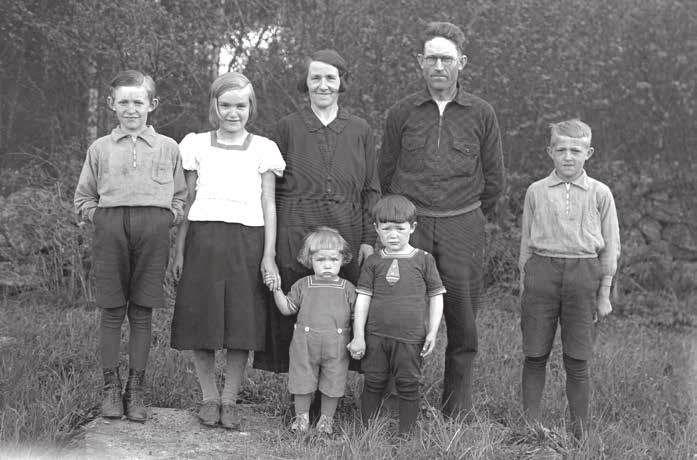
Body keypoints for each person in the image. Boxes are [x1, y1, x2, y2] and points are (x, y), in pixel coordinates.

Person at [379, 21, 504, 418]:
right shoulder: (401, 113)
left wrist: (464, 215)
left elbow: (495, 181)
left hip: (462, 226)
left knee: (462, 321)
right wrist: (405, 220)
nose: (438, 65)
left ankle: (457, 410)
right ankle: (398, 404)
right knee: (400, 314)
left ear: (461, 63)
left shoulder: (482, 113)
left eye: (446, 58)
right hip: (411, 227)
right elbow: (385, 174)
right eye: (431, 57)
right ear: (420, 62)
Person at [253, 49, 381, 417]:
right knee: (297, 313)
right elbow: (270, 191)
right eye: (315, 78)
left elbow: (371, 187)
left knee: (342, 313)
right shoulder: (287, 127)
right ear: (305, 83)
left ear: (342, 83)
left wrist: (368, 242)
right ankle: (299, 399)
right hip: (296, 227)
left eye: (330, 78)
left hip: (347, 232)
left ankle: (334, 397)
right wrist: (272, 245)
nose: (323, 85)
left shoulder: (359, 129)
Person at [169, 72, 285, 430]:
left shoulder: (265, 149)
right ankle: (208, 397)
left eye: (241, 105)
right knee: (200, 319)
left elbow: (268, 203)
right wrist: (179, 248)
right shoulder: (195, 144)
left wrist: (268, 254)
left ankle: (230, 399)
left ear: (251, 106)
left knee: (241, 322)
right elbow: (188, 200)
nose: (233, 113)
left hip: (247, 242)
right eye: (225, 105)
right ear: (214, 106)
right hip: (203, 240)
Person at [74, 70, 187, 421]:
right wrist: (101, 219)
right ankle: (110, 386)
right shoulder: (100, 148)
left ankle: (135, 388)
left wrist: (166, 218)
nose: (131, 109)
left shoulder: (168, 147)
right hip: (111, 229)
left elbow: (180, 196)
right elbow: (83, 197)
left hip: (153, 230)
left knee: (142, 310)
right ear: (111, 104)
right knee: (111, 310)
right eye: (123, 101)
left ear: (152, 104)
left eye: (138, 101)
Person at [518, 119, 620, 439]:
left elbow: (611, 247)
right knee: (535, 353)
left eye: (575, 150)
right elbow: (525, 243)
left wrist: (603, 293)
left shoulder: (600, 193)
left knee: (577, 358)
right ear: (550, 151)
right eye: (560, 149)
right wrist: (525, 286)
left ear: (588, 153)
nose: (568, 157)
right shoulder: (536, 191)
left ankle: (579, 433)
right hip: (542, 274)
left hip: (583, 276)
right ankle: (531, 428)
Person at [348, 194, 445, 435]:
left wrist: (432, 331)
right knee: (373, 382)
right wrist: (358, 335)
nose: (393, 235)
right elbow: (362, 300)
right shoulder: (372, 261)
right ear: (376, 229)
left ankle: (407, 436)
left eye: (400, 229)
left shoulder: (424, 260)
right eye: (386, 228)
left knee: (408, 384)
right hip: (376, 336)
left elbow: (436, 297)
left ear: (412, 228)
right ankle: (366, 433)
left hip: (411, 337)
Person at [269, 227, 356, 435]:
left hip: (337, 345)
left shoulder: (347, 288)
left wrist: (359, 338)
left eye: (333, 260)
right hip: (305, 344)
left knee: (334, 380)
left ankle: (326, 420)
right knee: (302, 378)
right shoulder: (303, 285)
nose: (327, 265)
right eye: (321, 260)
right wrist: (276, 289)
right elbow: (287, 309)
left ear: (342, 260)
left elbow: (358, 317)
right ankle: (301, 418)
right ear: (310, 260)